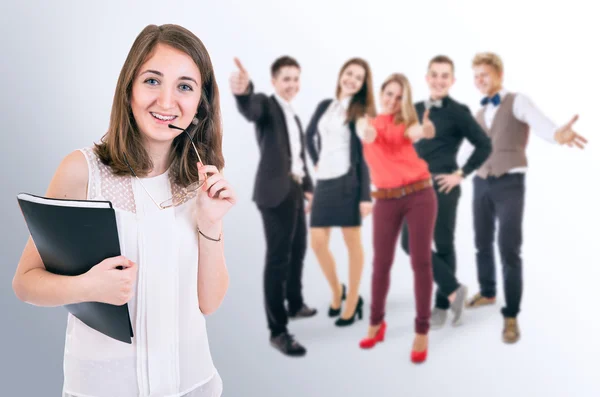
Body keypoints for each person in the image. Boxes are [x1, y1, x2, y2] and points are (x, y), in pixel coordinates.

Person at [12, 24, 234, 397]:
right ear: (128, 89)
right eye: (151, 81)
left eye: (184, 86)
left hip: (192, 384)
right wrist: (88, 286)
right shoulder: (82, 171)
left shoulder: (202, 180)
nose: (166, 102)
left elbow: (209, 303)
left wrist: (210, 222)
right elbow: (25, 284)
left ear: (200, 104)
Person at [466, 52, 588, 344]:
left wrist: (558, 135)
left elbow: (542, 123)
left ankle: (510, 314)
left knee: (508, 248)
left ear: (499, 75)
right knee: (481, 242)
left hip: (510, 183)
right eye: (476, 76)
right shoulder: (478, 114)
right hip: (480, 182)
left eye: (484, 74)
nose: (480, 80)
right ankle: (487, 291)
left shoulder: (517, 101)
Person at [230, 56, 316, 357]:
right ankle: (277, 331)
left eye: (296, 79)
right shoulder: (267, 105)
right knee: (278, 258)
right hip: (274, 193)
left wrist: (308, 190)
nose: (292, 85)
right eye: (286, 79)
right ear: (274, 82)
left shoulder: (294, 116)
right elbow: (250, 108)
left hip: (294, 189)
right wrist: (243, 91)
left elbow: (300, 156)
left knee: (299, 250)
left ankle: (294, 303)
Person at [400, 55, 492, 328]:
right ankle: (454, 289)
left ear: (452, 81)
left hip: (442, 186)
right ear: (427, 78)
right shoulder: (412, 110)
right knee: (409, 243)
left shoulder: (459, 112)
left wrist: (461, 174)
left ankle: (441, 305)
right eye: (434, 75)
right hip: (414, 187)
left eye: (445, 76)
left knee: (443, 243)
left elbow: (484, 145)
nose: (439, 80)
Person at [355, 73, 437, 363]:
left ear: (405, 102)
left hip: (419, 195)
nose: (392, 100)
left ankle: (422, 330)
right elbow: (365, 130)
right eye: (389, 94)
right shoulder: (368, 122)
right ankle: (376, 324)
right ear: (381, 93)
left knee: (420, 261)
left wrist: (425, 130)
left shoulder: (406, 124)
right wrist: (366, 131)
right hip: (386, 200)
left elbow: (416, 131)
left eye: (399, 97)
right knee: (381, 264)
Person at [304, 58, 375, 327]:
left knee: (352, 243)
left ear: (362, 85)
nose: (352, 80)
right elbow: (310, 136)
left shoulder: (358, 113)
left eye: (358, 78)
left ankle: (353, 300)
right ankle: (337, 290)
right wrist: (316, 160)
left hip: (348, 183)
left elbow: (364, 144)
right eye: (349, 74)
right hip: (324, 182)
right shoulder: (326, 106)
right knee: (318, 242)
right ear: (341, 75)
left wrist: (366, 195)